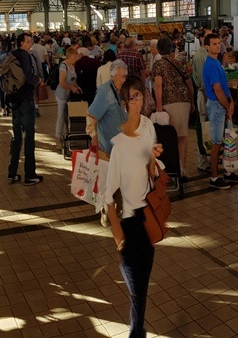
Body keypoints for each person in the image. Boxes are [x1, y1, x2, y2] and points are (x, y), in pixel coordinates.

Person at [102, 74, 163, 338]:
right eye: (133, 97)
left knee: (143, 281)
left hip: (149, 214)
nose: (139, 101)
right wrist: (118, 236)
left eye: (141, 95)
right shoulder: (119, 147)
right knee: (138, 289)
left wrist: (154, 161)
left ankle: (137, 327)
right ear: (125, 104)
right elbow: (107, 196)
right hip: (129, 220)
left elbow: (154, 170)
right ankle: (136, 332)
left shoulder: (149, 127)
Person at [202, 32, 238, 189]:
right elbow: (217, 90)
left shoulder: (217, 62)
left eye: (219, 43)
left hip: (222, 105)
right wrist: (227, 105)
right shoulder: (210, 65)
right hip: (217, 106)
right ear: (207, 47)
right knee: (216, 143)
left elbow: (224, 85)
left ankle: (228, 171)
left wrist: (230, 101)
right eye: (214, 44)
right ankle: (214, 177)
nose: (217, 46)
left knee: (226, 140)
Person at [152, 37, 193, 175]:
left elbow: (158, 85)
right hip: (184, 101)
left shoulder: (158, 64)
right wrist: (192, 102)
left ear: (158, 49)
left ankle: (172, 169)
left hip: (169, 102)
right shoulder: (177, 62)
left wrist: (158, 106)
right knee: (182, 137)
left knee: (170, 137)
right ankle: (182, 169)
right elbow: (189, 83)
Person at [7, 33, 43, 186]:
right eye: (28, 41)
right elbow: (28, 77)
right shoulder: (25, 56)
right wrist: (38, 79)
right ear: (21, 43)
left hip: (14, 99)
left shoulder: (12, 55)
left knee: (16, 137)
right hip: (25, 100)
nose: (30, 44)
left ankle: (12, 172)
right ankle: (30, 175)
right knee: (29, 137)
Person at [88, 60, 128, 155]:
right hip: (109, 147)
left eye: (124, 76)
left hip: (122, 145)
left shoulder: (122, 89)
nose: (122, 80)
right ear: (112, 76)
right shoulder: (105, 92)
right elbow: (91, 116)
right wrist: (94, 136)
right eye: (119, 76)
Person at [54, 45, 81, 153]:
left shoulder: (72, 66)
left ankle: (66, 136)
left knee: (66, 117)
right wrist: (71, 88)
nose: (76, 59)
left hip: (68, 95)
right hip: (61, 95)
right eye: (74, 57)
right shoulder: (63, 66)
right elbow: (62, 82)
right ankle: (58, 139)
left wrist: (76, 86)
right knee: (61, 116)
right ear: (69, 56)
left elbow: (73, 80)